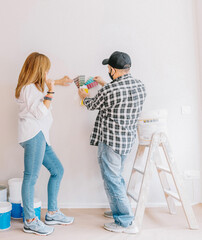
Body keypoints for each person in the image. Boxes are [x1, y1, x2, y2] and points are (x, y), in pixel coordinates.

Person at [78, 51, 146, 234]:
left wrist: (83, 94)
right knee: (117, 177)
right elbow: (120, 94)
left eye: (109, 68)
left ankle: (125, 222)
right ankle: (119, 210)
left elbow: (92, 104)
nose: (108, 70)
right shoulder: (140, 85)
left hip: (110, 141)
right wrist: (103, 83)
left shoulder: (110, 90)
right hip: (126, 141)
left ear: (113, 70)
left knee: (112, 179)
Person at [15, 52, 74, 236]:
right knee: (31, 177)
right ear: (40, 70)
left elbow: (43, 84)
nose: (48, 72)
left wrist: (57, 81)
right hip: (34, 135)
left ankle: (53, 213)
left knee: (58, 170)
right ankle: (31, 221)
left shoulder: (33, 86)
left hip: (41, 136)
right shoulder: (28, 88)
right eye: (47, 69)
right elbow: (40, 112)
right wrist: (51, 91)